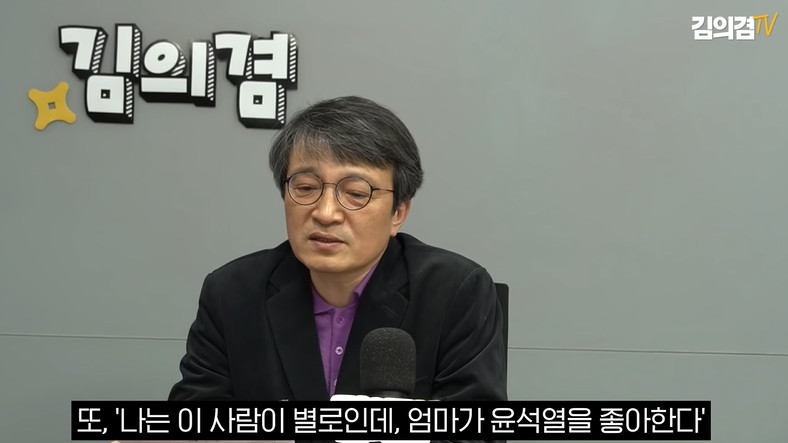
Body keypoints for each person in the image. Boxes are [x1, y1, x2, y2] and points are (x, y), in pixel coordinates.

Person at [169, 96, 507, 402]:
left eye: (356, 193)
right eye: (306, 187)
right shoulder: (232, 294)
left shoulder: (454, 293)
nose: (326, 212)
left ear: (398, 213)